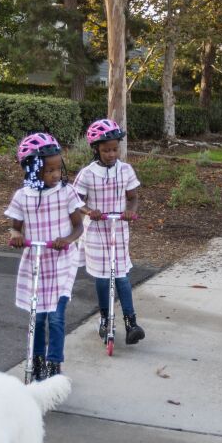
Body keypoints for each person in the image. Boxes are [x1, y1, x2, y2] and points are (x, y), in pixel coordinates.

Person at [6, 133, 85, 380]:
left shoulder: (66, 192)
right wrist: (16, 235)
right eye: (48, 170)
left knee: (56, 317)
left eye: (57, 169)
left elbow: (79, 226)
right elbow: (15, 226)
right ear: (32, 169)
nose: (55, 175)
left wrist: (67, 240)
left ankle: (54, 364)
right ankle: (37, 359)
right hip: (36, 262)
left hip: (61, 261)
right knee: (37, 318)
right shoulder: (23, 196)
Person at [73, 118, 145, 345]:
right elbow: (76, 201)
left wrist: (130, 212)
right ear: (96, 149)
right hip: (96, 230)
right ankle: (105, 319)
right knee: (104, 278)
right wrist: (89, 210)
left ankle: (131, 322)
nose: (112, 154)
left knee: (122, 275)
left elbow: (132, 198)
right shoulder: (87, 173)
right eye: (106, 150)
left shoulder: (125, 170)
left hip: (118, 228)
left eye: (115, 149)